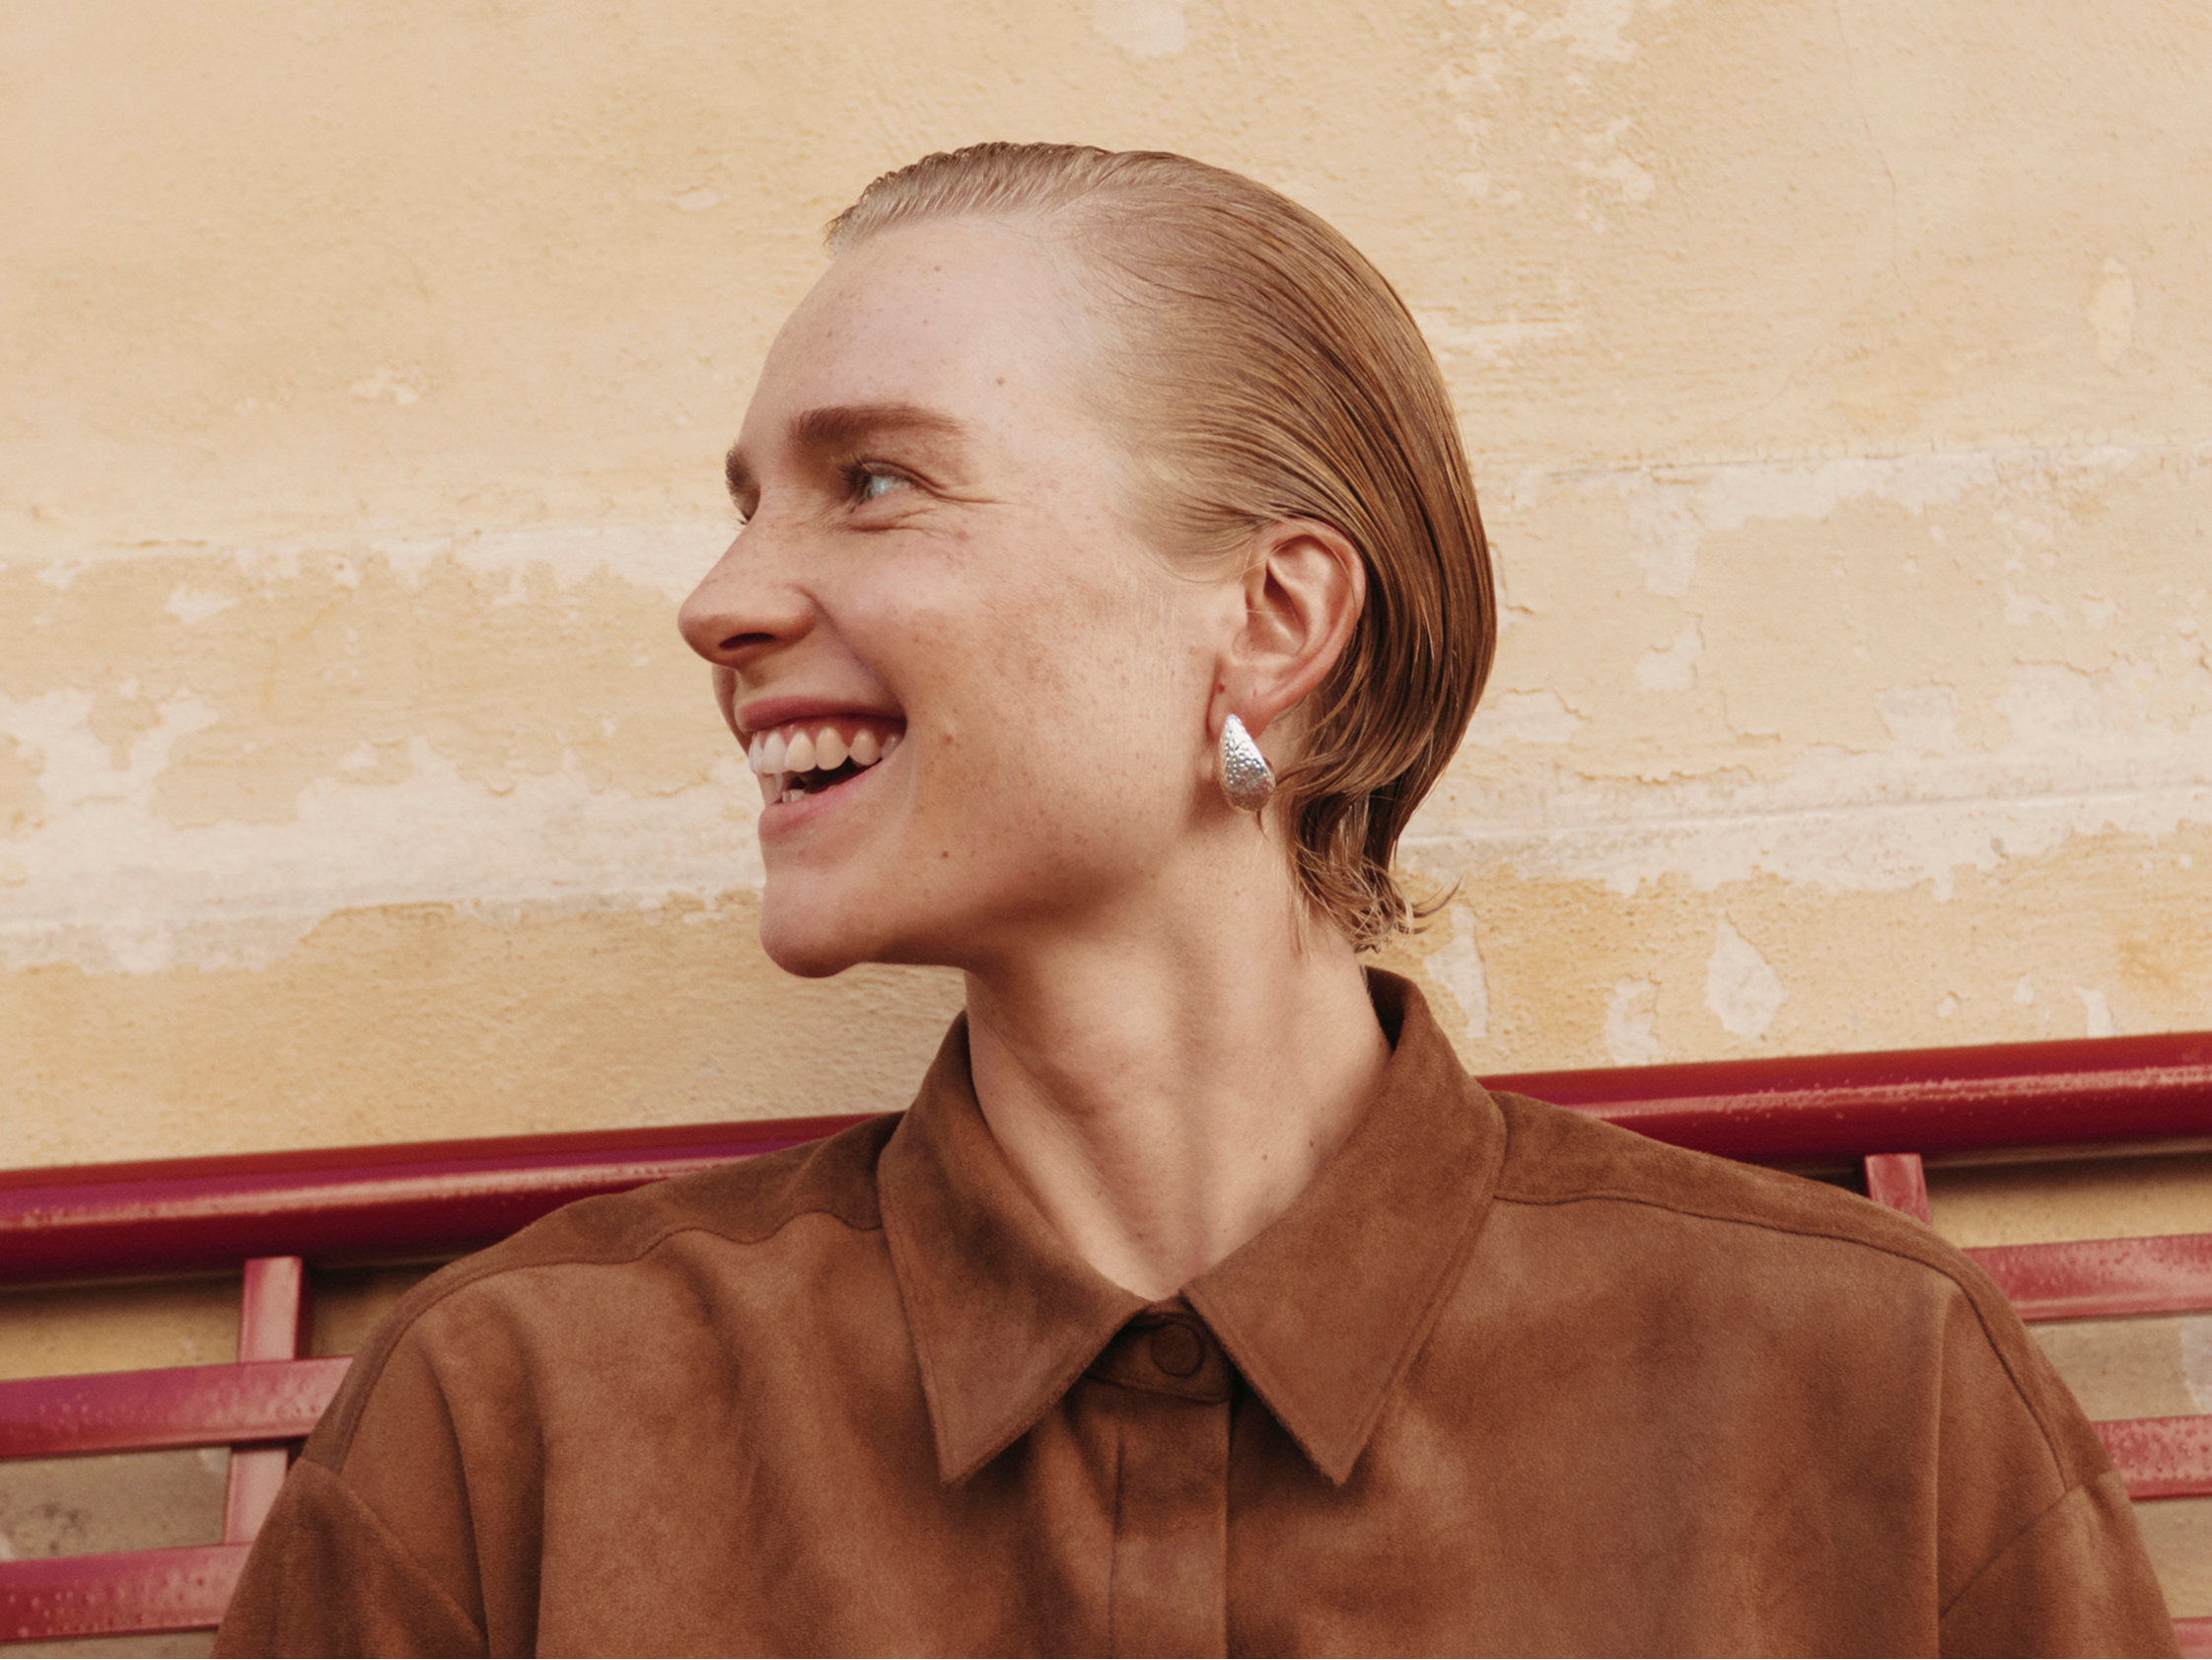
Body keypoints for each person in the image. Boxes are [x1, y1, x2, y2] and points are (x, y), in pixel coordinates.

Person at [216, 144, 2175, 1657]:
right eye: (746, 499)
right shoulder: (522, 1411)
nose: (719, 601)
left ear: (1269, 615)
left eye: (873, 481)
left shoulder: (1858, 1383)